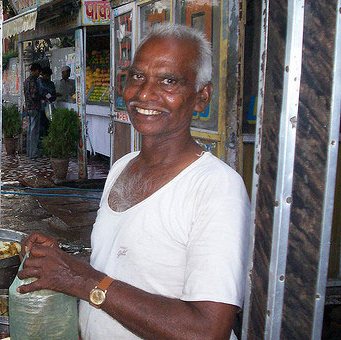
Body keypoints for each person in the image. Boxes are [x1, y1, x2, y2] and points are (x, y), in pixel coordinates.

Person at [18, 23, 250, 340]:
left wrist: (78, 278)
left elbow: (207, 331)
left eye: (168, 81)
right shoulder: (122, 166)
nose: (143, 94)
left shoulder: (216, 187)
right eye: (137, 77)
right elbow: (120, 267)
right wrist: (62, 263)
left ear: (201, 97)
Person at [23, 62, 42, 159]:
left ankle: (29, 152)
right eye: (39, 71)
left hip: (28, 108)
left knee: (30, 130)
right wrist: (42, 97)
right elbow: (34, 95)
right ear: (36, 70)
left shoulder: (26, 81)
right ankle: (34, 153)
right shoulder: (34, 81)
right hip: (35, 107)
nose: (39, 73)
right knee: (34, 131)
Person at [38, 66, 56, 138]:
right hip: (40, 108)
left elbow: (53, 94)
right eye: (46, 76)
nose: (48, 77)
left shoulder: (51, 84)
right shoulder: (39, 82)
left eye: (49, 76)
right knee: (41, 126)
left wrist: (49, 97)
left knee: (48, 125)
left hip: (49, 107)